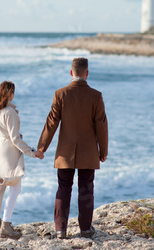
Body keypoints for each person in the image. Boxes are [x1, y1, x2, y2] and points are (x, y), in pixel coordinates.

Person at [37, 57, 108, 239]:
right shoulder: (96, 96)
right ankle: (85, 229)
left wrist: (42, 147)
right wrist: (103, 151)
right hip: (88, 151)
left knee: (63, 188)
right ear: (87, 73)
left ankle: (60, 229)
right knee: (86, 188)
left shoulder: (60, 94)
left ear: (71, 73)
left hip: (65, 153)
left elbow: (51, 122)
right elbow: (101, 125)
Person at [0, 81, 44, 239]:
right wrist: (33, 152)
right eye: (13, 93)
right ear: (10, 94)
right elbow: (15, 139)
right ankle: (6, 225)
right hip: (9, 150)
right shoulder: (10, 112)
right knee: (15, 188)